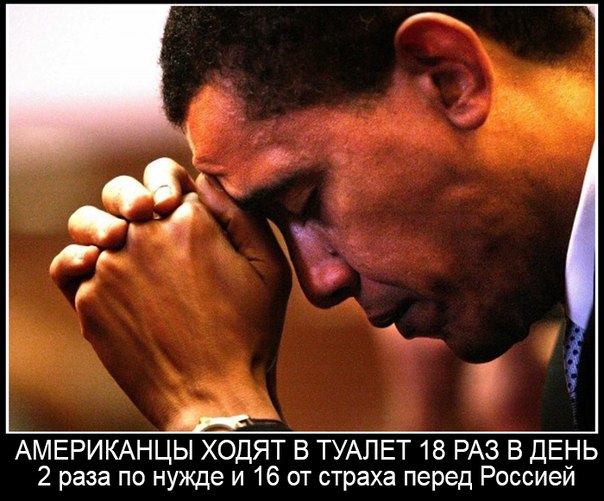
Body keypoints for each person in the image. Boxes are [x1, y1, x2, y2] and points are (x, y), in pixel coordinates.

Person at [49, 6, 595, 432]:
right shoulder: (571, 364)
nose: (319, 283)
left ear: (449, 77)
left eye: (307, 202)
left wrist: (216, 410)